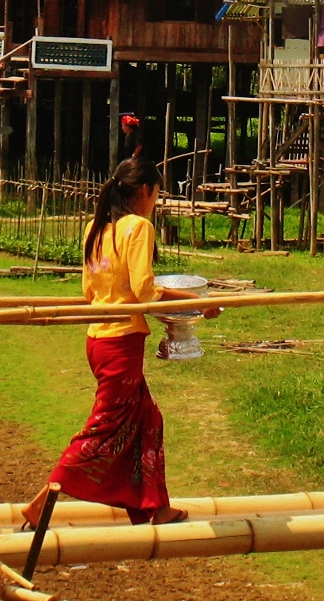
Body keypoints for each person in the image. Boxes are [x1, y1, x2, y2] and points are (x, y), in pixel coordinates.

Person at [22, 155, 206, 529]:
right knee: (103, 428)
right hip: (121, 342)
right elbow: (145, 291)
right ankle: (42, 502)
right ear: (145, 190)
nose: (156, 201)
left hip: (98, 340)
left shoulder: (97, 227)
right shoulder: (137, 228)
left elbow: (89, 291)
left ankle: (155, 506)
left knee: (147, 419)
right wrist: (197, 301)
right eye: (157, 193)